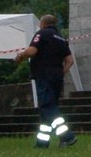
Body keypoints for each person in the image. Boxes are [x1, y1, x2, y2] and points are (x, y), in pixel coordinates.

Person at [14, 14, 76, 147]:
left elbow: (31, 51)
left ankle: (67, 136)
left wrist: (20, 56)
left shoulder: (41, 34)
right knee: (46, 109)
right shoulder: (61, 38)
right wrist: (60, 72)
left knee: (47, 107)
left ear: (42, 24)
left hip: (44, 75)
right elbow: (70, 61)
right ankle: (42, 143)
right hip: (57, 78)